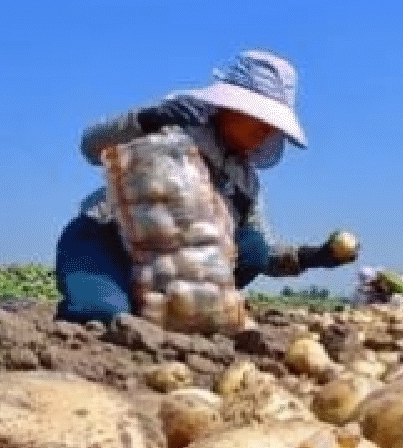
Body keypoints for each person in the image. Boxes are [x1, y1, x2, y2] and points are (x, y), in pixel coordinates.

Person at [55, 50, 358, 324]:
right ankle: (97, 301)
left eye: (272, 124)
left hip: (169, 274)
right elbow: (90, 146)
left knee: (251, 246)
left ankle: (169, 311)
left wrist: (313, 256)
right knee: (103, 315)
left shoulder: (245, 182)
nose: (266, 131)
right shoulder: (173, 128)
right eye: (259, 118)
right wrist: (147, 119)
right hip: (106, 240)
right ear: (230, 107)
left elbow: (262, 254)